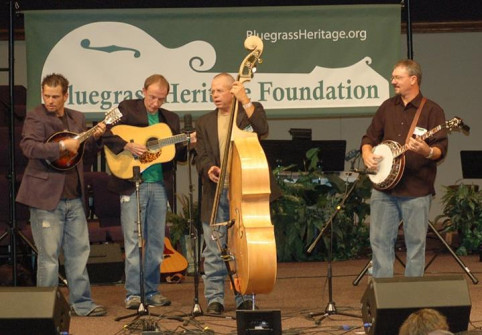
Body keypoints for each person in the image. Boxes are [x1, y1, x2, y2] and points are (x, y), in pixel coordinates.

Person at [16, 73, 107, 316]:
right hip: (45, 199)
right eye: (46, 95)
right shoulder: (36, 116)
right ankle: (44, 310)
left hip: (74, 197)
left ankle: (82, 304)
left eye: (55, 96)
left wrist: (95, 139)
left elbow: (82, 156)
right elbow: (28, 146)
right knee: (49, 258)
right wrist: (60, 146)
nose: (50, 101)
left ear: (66, 96)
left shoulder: (77, 118)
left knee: (79, 253)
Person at [103, 74, 191, 309]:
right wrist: (126, 145)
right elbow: (103, 131)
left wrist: (187, 143)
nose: (155, 103)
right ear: (143, 91)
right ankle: (133, 293)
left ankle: (151, 290)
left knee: (155, 242)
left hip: (159, 186)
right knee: (132, 240)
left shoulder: (170, 119)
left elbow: (176, 155)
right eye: (152, 97)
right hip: (131, 183)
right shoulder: (126, 109)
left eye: (161, 99)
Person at [195, 72, 280, 315]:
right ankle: (214, 299)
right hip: (215, 191)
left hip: (244, 191)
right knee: (214, 247)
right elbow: (201, 156)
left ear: (232, 91)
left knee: (244, 248)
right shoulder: (204, 122)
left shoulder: (248, 112)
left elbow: (262, 128)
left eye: (219, 91)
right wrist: (208, 167)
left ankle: (244, 296)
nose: (214, 95)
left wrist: (246, 100)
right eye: (212, 91)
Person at [361, 59, 448, 278]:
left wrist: (426, 151)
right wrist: (367, 154)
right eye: (393, 77)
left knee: (416, 246)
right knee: (379, 242)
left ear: (413, 79)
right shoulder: (387, 107)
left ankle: (412, 298)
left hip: (417, 190)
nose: (393, 81)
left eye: (397, 77)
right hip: (385, 189)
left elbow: (440, 149)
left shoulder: (432, 110)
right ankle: (383, 296)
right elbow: (369, 138)